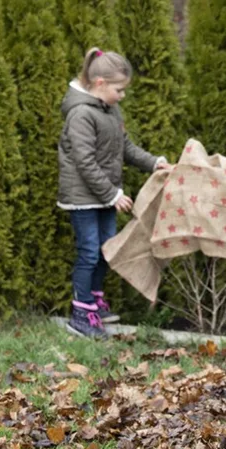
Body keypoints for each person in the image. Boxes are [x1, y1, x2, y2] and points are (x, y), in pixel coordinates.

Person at [57, 47, 171, 339]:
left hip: (105, 196)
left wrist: (154, 162)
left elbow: (125, 147)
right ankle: (81, 313)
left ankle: (94, 300)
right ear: (100, 84)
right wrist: (112, 195)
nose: (122, 95)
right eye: (119, 90)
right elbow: (84, 161)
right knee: (89, 252)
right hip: (84, 199)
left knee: (106, 250)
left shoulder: (109, 110)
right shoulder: (81, 114)